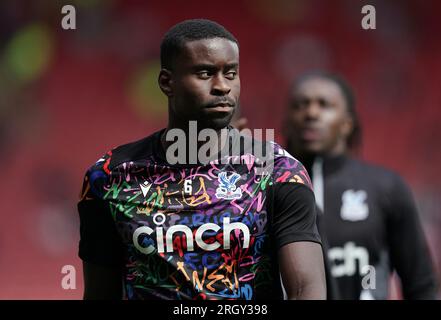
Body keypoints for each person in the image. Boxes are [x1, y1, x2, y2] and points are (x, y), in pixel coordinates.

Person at [77, 19, 326, 300]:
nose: (222, 86)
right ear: (166, 82)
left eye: (231, 73)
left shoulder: (278, 171)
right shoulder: (110, 177)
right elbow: (99, 294)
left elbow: (307, 289)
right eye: (206, 73)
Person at [283, 71, 438, 300]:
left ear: (347, 124)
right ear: (288, 121)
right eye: (301, 105)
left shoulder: (386, 187)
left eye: (324, 105)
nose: (311, 113)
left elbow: (421, 285)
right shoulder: (268, 189)